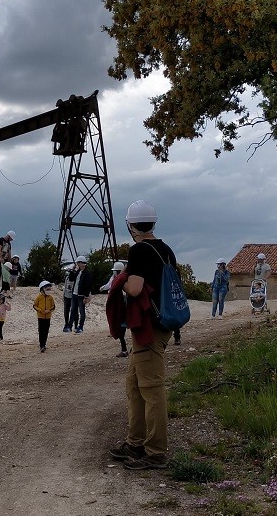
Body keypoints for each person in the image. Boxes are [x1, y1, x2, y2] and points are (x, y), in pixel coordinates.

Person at [109, 200, 177, 470]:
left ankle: (156, 452)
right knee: (135, 384)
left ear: (130, 225)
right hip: (160, 324)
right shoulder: (166, 249)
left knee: (151, 389)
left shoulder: (138, 250)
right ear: (154, 222)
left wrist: (120, 281)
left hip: (149, 326)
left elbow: (136, 289)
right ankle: (135, 442)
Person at [101, 262, 128, 357]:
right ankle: (124, 349)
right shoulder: (116, 279)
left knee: (122, 328)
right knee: (121, 329)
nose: (114, 273)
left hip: (122, 306)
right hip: (118, 305)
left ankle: (125, 350)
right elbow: (109, 285)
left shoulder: (122, 279)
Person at [68, 254, 92, 334]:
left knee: (82, 311)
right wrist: (72, 271)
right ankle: (69, 326)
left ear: (82, 263)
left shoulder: (87, 273)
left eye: (78, 263)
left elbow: (88, 286)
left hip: (81, 296)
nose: (77, 264)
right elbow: (71, 279)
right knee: (73, 310)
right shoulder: (78, 272)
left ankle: (80, 327)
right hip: (75, 294)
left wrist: (86, 296)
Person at [32, 280, 56, 352]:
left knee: (46, 331)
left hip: (48, 317)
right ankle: (41, 345)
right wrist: (40, 310)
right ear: (42, 289)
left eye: (49, 289)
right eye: (47, 289)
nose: (48, 290)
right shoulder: (39, 297)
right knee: (41, 331)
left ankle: (44, 344)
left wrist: (49, 310)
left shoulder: (50, 297)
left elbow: (53, 306)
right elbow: (34, 305)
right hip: (41, 317)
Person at [61, 263, 77, 332]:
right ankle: (66, 324)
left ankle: (76, 325)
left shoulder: (76, 279)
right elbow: (65, 287)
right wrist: (63, 295)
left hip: (74, 296)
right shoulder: (67, 278)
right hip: (67, 296)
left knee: (74, 311)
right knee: (66, 311)